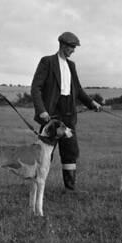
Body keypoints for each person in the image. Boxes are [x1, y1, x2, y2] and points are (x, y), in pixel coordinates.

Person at [30, 32, 102, 191]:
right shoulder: (47, 61)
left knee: (70, 151)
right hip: (50, 115)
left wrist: (91, 103)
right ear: (63, 45)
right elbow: (36, 88)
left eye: (74, 47)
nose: (73, 50)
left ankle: (70, 189)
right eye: (72, 47)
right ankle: (38, 187)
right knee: (45, 152)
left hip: (68, 113)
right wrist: (41, 110)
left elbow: (78, 90)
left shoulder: (72, 65)